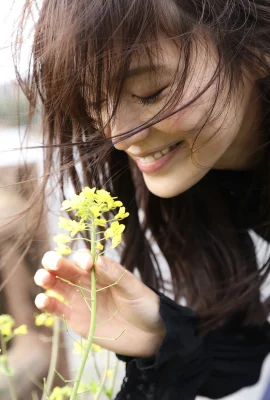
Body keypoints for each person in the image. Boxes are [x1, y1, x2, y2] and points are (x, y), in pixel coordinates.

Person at [17, 0, 270, 398]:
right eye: (95, 103)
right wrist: (162, 336)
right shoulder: (199, 169)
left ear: (257, 49)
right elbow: (245, 355)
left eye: (149, 93)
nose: (118, 137)